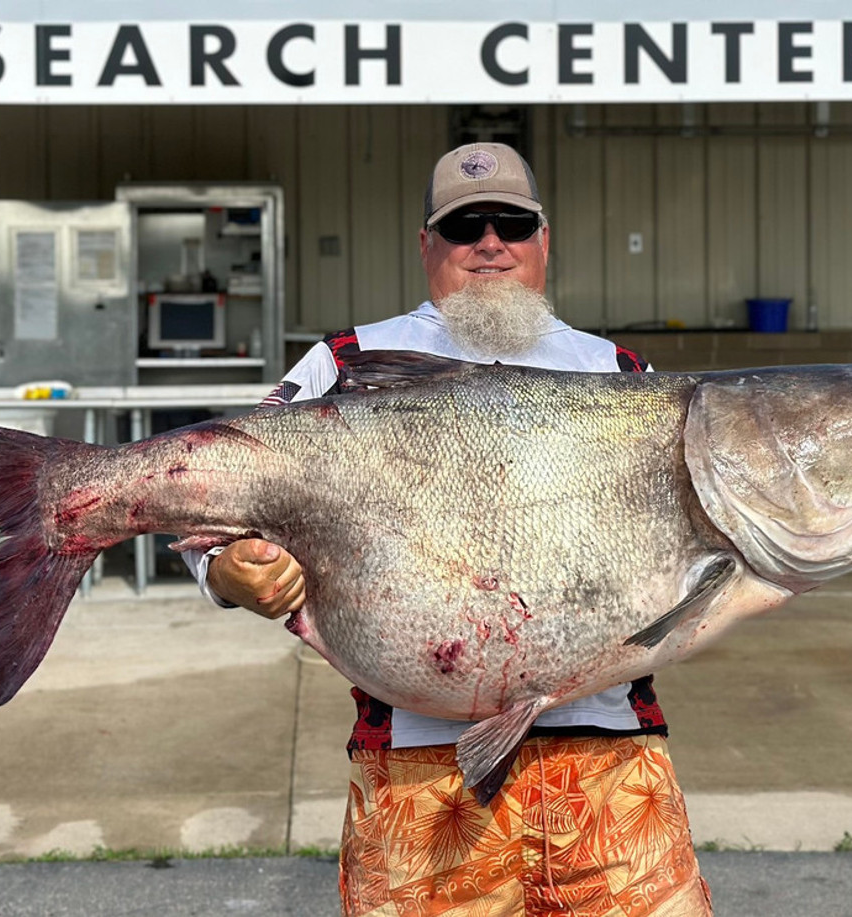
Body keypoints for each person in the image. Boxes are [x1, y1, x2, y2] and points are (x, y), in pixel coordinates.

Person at [183, 143, 713, 916]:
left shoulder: (620, 371)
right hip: (418, 775)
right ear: (428, 245)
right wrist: (230, 573)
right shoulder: (347, 363)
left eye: (512, 223)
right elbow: (204, 510)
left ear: (544, 240)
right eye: (466, 225)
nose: (490, 243)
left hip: (609, 761)